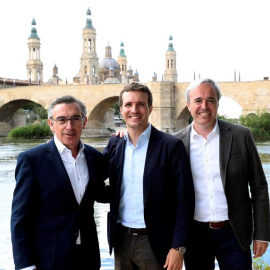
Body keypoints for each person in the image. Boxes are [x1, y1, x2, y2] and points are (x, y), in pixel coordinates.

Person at [173, 78, 270, 270]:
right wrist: (125, 135)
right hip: (194, 234)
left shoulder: (241, 135)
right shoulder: (175, 143)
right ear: (188, 105)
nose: (204, 106)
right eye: (198, 100)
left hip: (234, 233)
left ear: (218, 103)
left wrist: (262, 234)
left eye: (211, 100)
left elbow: (259, 188)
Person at [11, 95, 109, 270]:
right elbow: (20, 218)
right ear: (51, 124)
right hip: (48, 260)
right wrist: (25, 265)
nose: (69, 126)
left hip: (88, 258)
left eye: (75, 119)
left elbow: (103, 194)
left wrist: (123, 140)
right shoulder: (32, 160)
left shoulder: (95, 157)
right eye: (62, 120)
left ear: (84, 122)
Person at [103, 82, 195, 270]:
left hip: (156, 242)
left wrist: (178, 247)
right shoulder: (115, 144)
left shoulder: (171, 146)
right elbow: (92, 175)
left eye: (140, 104)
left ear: (150, 108)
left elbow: (184, 200)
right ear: (121, 109)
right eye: (128, 104)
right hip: (121, 241)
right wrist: (59, 147)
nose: (134, 110)